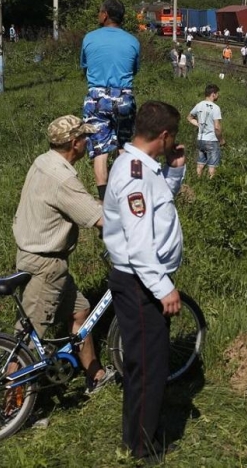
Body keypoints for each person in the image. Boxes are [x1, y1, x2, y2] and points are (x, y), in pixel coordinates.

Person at [103, 101, 186, 461]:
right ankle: (142, 446)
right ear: (164, 136)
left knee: (149, 361)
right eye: (174, 138)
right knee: (148, 366)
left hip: (143, 279)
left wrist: (176, 171)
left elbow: (158, 204)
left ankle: (139, 434)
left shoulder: (142, 168)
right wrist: (163, 288)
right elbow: (139, 246)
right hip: (139, 280)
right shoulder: (134, 175)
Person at [12, 115, 112, 394]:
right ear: (75, 143)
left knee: (79, 311)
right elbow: (97, 218)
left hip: (34, 255)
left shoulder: (44, 161)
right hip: (47, 265)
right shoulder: (63, 177)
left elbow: (77, 203)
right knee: (28, 338)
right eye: (85, 138)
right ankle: (11, 407)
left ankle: (95, 374)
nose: (89, 142)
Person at [80, 0, 140, 201]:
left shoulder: (89, 38)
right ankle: (130, 194)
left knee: (100, 152)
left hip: (97, 98)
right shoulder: (133, 41)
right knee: (124, 146)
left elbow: (85, 65)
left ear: (105, 15)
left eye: (99, 12)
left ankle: (105, 203)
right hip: (124, 96)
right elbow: (134, 70)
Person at [188, 84, 224, 178]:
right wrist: (221, 140)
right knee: (212, 167)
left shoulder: (199, 105)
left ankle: (198, 181)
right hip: (211, 140)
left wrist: (198, 124)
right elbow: (217, 127)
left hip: (200, 139)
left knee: (200, 164)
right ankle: (210, 186)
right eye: (217, 94)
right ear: (213, 94)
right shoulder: (215, 108)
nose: (218, 96)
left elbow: (189, 117)